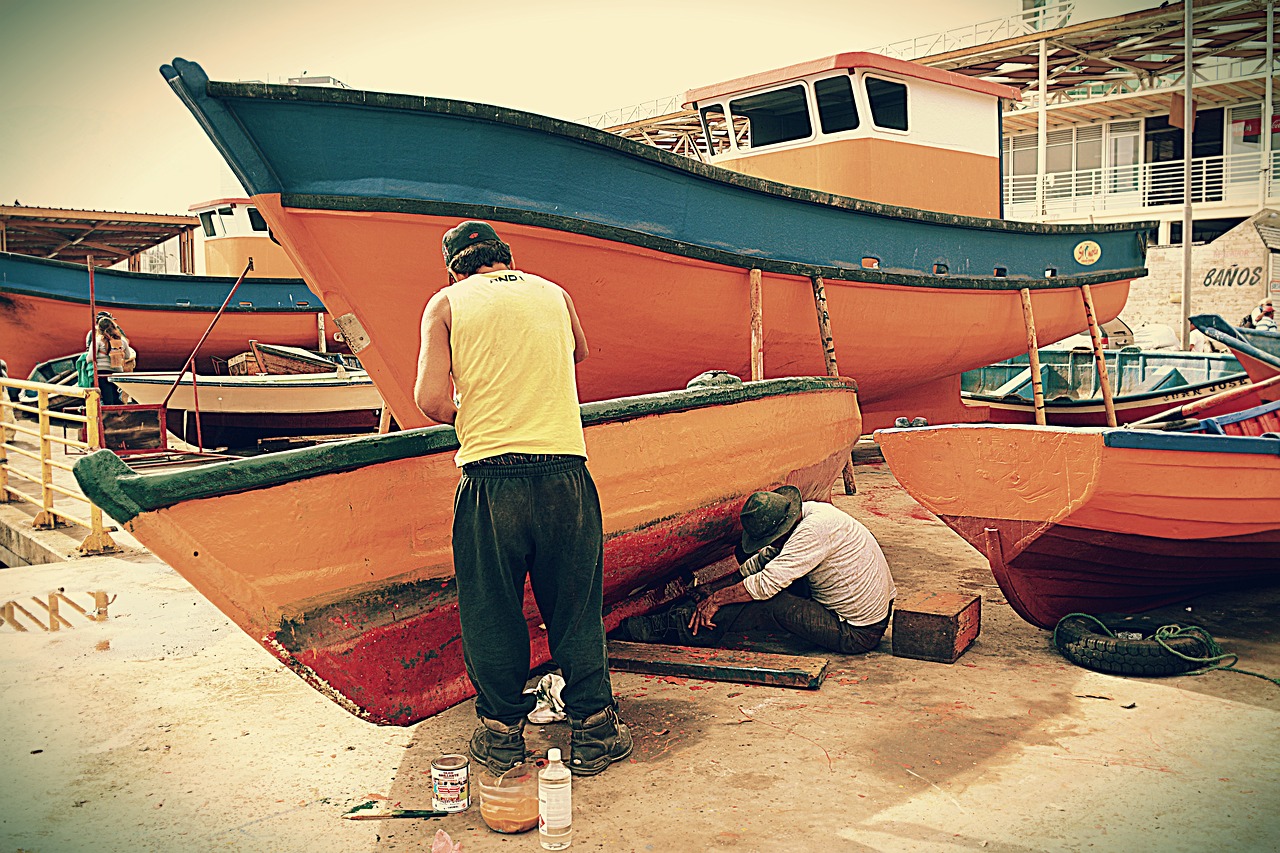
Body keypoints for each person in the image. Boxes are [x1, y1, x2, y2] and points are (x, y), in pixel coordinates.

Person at [414, 221, 631, 777]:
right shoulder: (553, 291)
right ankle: (595, 732)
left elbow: (431, 399)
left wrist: (476, 414)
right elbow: (579, 352)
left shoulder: (445, 303)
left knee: (492, 611)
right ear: (506, 257)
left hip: (490, 479)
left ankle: (502, 738)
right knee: (576, 606)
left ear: (454, 267)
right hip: (565, 472)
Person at [623, 486, 896, 655]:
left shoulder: (814, 531)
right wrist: (714, 588)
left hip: (857, 632)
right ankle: (684, 616)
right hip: (868, 614)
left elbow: (765, 584)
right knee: (751, 581)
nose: (769, 544)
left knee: (768, 601)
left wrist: (716, 600)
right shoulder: (810, 513)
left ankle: (671, 628)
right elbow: (763, 561)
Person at [86, 312, 134, 406]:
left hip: (102, 373)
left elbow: (90, 358)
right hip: (117, 374)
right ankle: (119, 412)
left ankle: (108, 415)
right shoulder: (122, 340)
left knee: (107, 399)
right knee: (115, 396)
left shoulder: (97, 340)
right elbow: (128, 356)